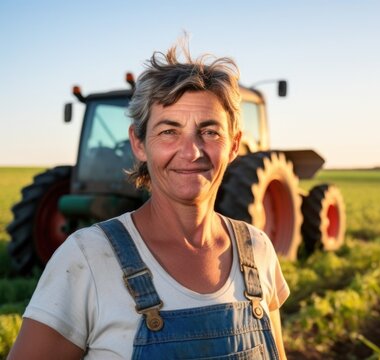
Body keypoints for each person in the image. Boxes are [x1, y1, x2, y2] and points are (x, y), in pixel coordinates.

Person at [8, 43, 290, 359]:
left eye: (209, 132)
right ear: (139, 144)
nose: (191, 152)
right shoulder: (87, 258)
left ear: (235, 144)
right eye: (169, 131)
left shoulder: (258, 249)